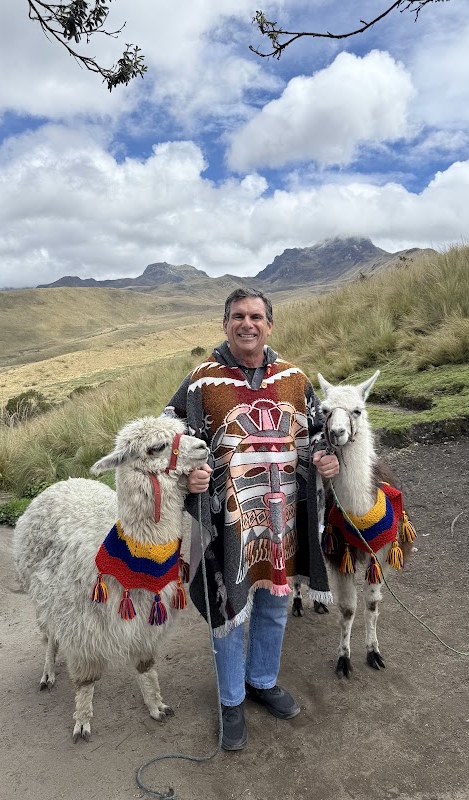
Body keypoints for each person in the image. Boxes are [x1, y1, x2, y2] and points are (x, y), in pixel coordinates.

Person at [163, 287, 339, 751]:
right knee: (230, 608)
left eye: (256, 316)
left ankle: (262, 680)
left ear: (269, 324)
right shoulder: (201, 382)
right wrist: (189, 473)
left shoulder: (295, 379)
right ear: (225, 324)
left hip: (283, 516)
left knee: (276, 603)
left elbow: (319, 431)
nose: (247, 324)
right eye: (238, 316)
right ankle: (231, 698)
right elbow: (168, 430)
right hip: (225, 519)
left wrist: (324, 458)